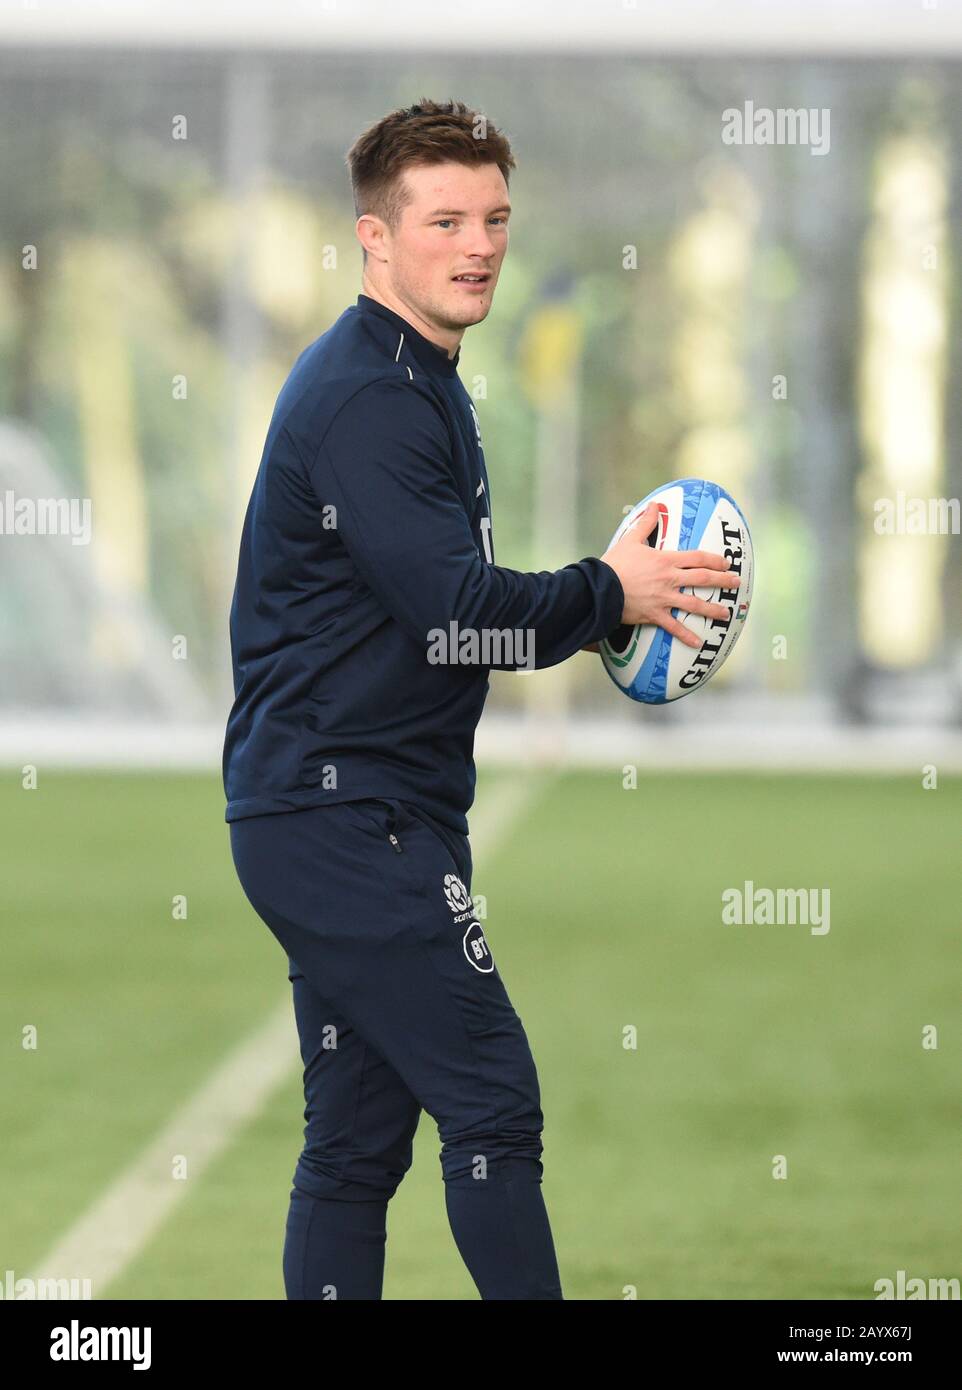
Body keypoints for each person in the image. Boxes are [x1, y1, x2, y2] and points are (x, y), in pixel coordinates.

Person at [223, 97, 740, 1300]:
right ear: (374, 237)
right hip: (345, 819)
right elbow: (457, 611)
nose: (479, 244)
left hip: (343, 811)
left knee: (354, 1145)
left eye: (495, 217)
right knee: (491, 1100)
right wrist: (610, 591)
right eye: (444, 218)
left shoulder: (419, 380)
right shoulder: (372, 398)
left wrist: (600, 595)